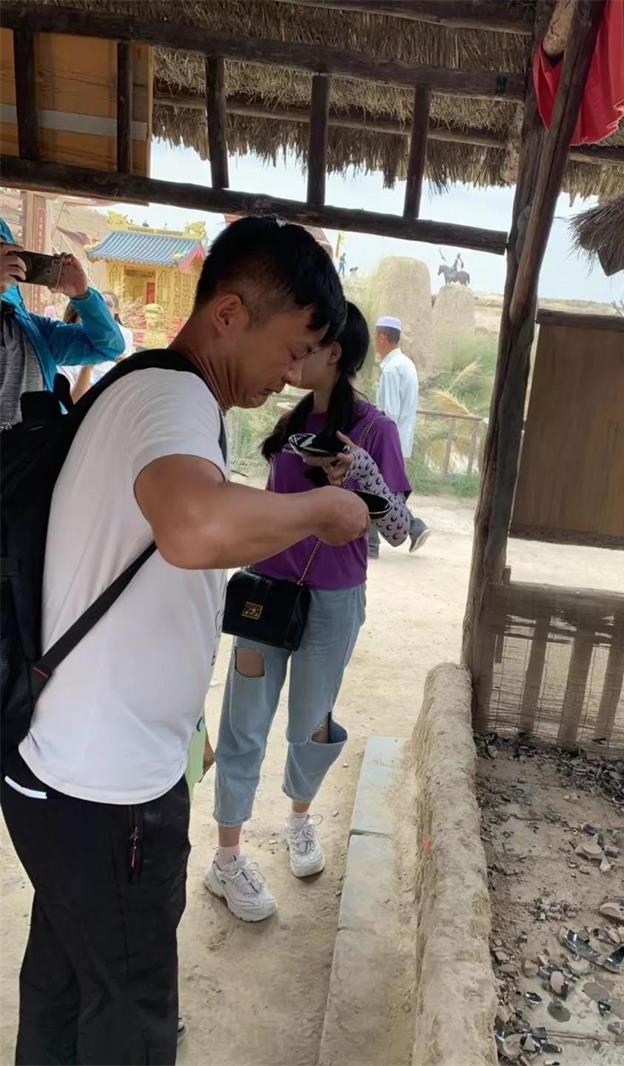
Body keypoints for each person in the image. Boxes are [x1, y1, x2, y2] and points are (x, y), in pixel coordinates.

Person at [0, 217, 369, 1066]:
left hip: (67, 769)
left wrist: (185, 723)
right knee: (130, 1011)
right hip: (109, 789)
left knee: (67, 982)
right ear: (230, 315)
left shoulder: (149, 394)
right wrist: (324, 508)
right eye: (293, 347)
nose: (294, 373)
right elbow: (194, 527)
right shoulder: (173, 399)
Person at [207, 301, 411, 921]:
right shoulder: (288, 421)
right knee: (243, 723)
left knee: (311, 723)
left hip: (334, 601)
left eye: (308, 343)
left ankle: (299, 818)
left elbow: (399, 528)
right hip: (265, 594)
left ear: (336, 353)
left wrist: (361, 477)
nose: (294, 354)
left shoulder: (374, 430)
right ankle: (226, 858)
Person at [0, 217, 125, 425]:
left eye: (7, 253)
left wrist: (83, 296)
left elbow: (108, 347)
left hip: (34, 444)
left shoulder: (34, 331)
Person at [371, 314, 430, 557]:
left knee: (374, 487)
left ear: (382, 338)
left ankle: (375, 543)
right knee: (385, 489)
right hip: (400, 440)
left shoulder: (391, 370)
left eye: (376, 336)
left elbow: (389, 414)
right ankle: (413, 528)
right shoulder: (405, 364)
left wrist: (380, 444)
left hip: (390, 441)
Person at [68, 292, 136, 400]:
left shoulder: (124, 337)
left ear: (116, 310)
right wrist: (88, 366)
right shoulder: (68, 357)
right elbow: (74, 400)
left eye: (108, 305)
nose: (103, 309)